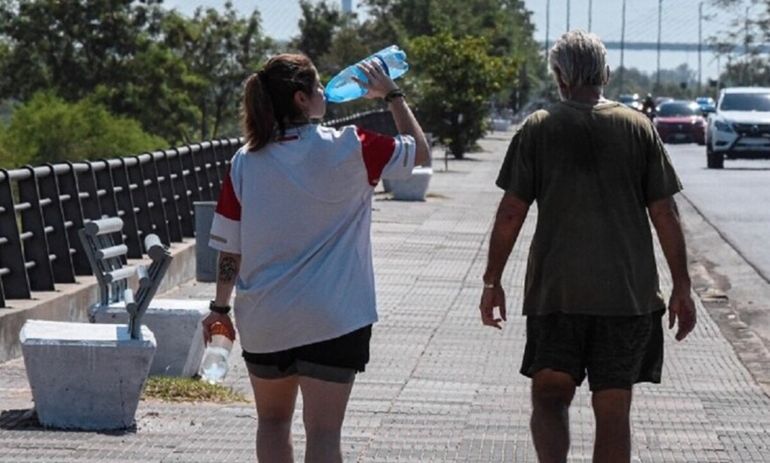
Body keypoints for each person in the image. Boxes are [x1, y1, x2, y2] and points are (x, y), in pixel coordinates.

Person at [479, 31, 696, 463]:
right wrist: (682, 286)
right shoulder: (638, 128)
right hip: (628, 299)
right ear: (607, 74)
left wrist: (492, 280)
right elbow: (666, 214)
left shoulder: (539, 128)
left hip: (556, 295)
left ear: (559, 76)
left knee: (549, 396)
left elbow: (510, 213)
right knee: (613, 410)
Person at [203, 53, 429, 462]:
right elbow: (420, 153)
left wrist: (219, 308)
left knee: (272, 423)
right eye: (319, 87)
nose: (326, 93)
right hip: (335, 317)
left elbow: (229, 248)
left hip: (265, 318)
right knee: (324, 431)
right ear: (302, 99)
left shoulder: (245, 161)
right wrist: (392, 95)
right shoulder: (352, 146)